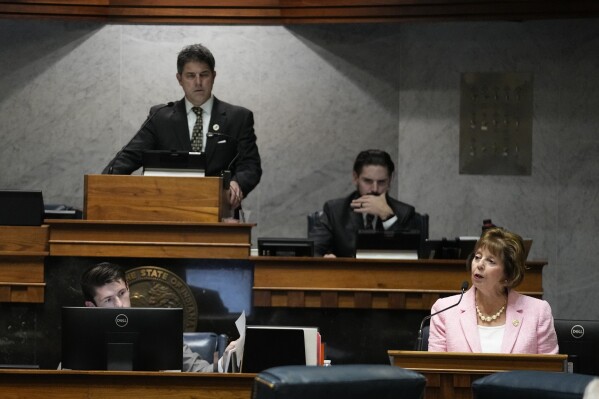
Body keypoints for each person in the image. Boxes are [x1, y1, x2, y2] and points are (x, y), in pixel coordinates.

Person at [102, 43, 262, 210]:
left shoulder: (238, 118)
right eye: (191, 76)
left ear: (214, 76)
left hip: (220, 214)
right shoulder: (160, 117)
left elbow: (250, 165)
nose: (198, 82)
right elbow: (127, 158)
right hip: (170, 211)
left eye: (204, 75)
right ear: (179, 79)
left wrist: (238, 183)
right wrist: (102, 185)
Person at [80, 262, 236, 372]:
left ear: (128, 287)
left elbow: (201, 371)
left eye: (122, 293)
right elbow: (66, 381)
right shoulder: (84, 340)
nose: (120, 305)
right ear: (91, 306)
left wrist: (226, 360)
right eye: (108, 300)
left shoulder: (161, 329)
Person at [428, 227, 559, 354]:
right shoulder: (444, 310)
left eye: (491, 261)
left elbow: (550, 372)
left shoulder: (538, 312)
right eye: (477, 257)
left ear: (508, 275)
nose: (479, 265)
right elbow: (435, 370)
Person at [309, 149, 419, 257]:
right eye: (367, 181)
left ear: (390, 180)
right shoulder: (335, 211)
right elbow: (311, 251)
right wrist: (326, 261)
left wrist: (388, 217)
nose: (375, 189)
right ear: (355, 178)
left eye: (381, 182)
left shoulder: (405, 213)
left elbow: (411, 256)